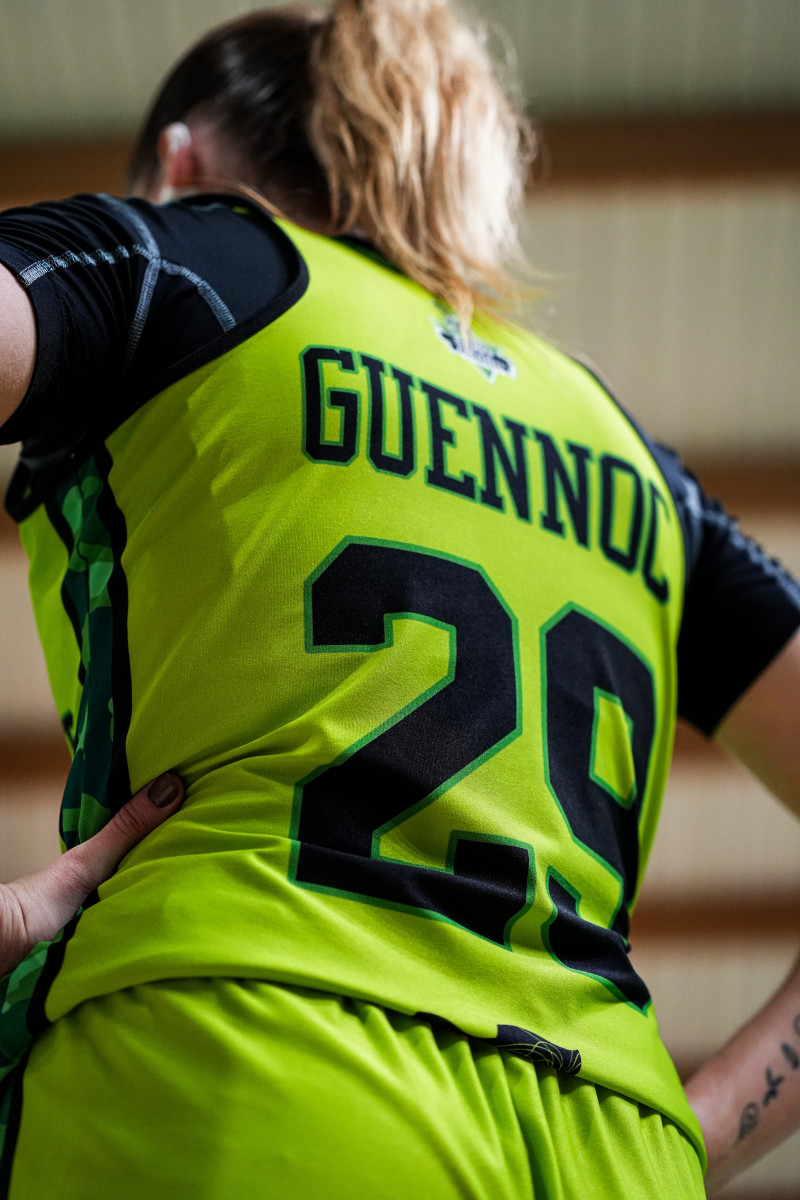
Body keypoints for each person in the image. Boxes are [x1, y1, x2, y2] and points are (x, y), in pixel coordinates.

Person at [0, 1, 798, 1196]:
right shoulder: (637, 462)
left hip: (243, 1062)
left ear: (177, 162)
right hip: (612, 1147)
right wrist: (693, 1131)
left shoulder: (182, 260)